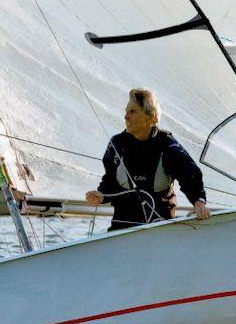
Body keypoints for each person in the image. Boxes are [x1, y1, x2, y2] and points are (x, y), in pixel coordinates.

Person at [85, 88, 211, 231]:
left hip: (160, 227)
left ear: (150, 116)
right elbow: (110, 181)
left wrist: (198, 202)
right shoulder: (117, 144)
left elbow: (189, 173)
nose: (126, 117)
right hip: (123, 228)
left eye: (132, 112)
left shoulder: (167, 144)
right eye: (126, 112)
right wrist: (101, 196)